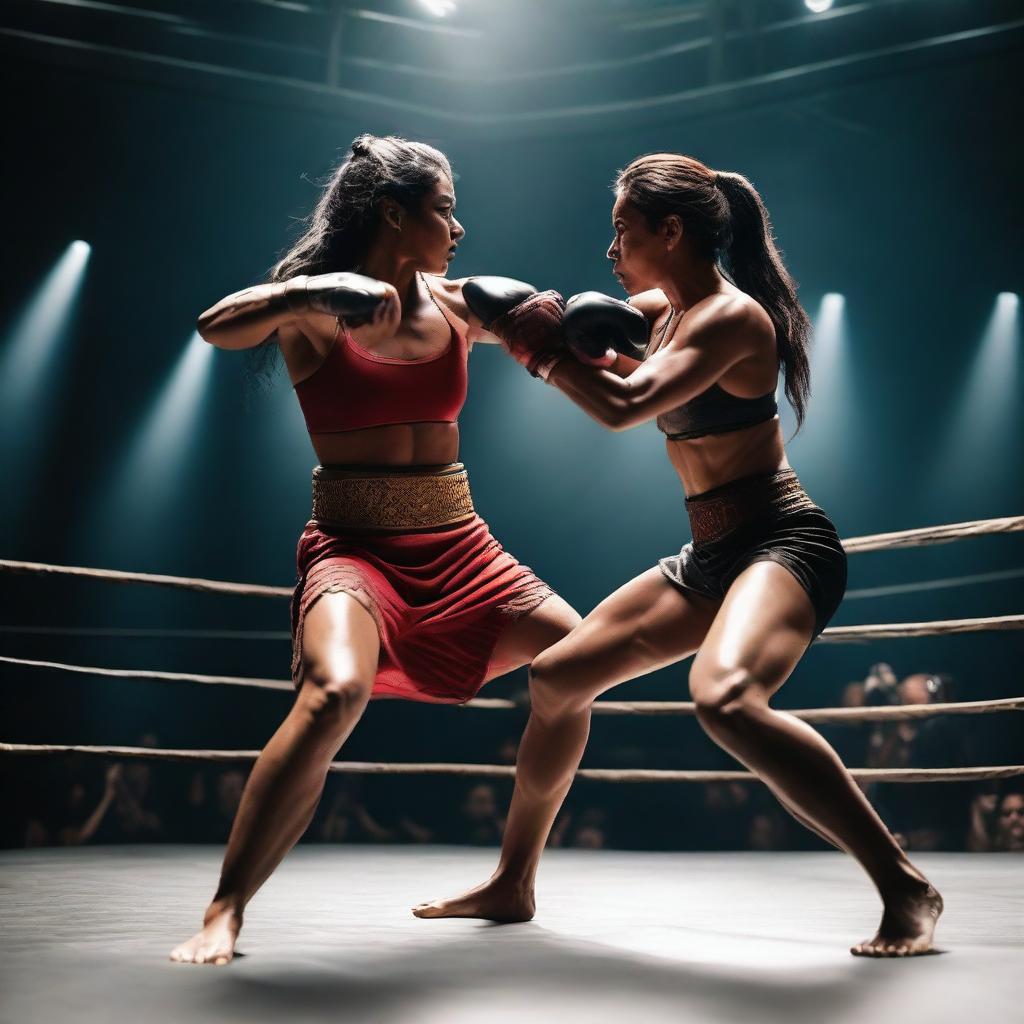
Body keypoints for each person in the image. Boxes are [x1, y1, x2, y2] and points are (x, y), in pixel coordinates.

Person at [414, 152, 943, 958]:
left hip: (783, 542)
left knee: (725, 698)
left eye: (622, 229)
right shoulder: (659, 310)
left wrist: (541, 349)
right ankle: (513, 884)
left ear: (672, 229)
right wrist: (444, 302)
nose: (610, 248)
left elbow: (625, 407)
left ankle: (904, 885)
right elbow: (612, 366)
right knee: (557, 677)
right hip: (712, 553)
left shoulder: (733, 319)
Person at [170, 134, 580, 966]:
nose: (459, 227)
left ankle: (514, 881)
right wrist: (312, 288)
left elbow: (568, 336)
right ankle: (226, 906)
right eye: (444, 208)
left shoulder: (462, 304)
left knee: (577, 657)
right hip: (356, 551)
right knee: (332, 692)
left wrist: (603, 319)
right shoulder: (315, 310)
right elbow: (214, 326)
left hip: (462, 549)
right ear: (395, 212)